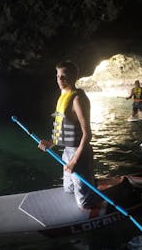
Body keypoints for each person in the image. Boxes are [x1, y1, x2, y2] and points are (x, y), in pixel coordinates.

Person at [38, 61, 97, 209]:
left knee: (84, 204)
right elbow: (64, 128)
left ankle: (95, 194)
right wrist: (51, 143)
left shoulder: (77, 99)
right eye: (58, 76)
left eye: (64, 76)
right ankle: (90, 183)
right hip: (67, 153)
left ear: (74, 77)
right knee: (68, 190)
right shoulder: (63, 95)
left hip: (80, 155)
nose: (60, 80)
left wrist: (74, 161)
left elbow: (87, 134)